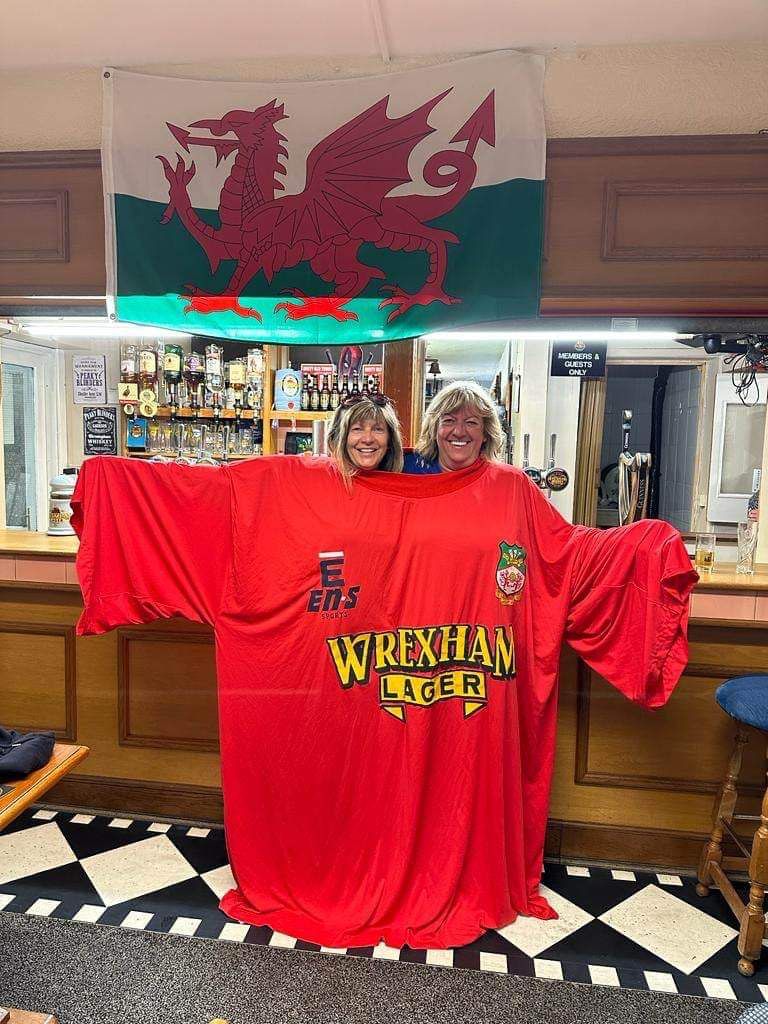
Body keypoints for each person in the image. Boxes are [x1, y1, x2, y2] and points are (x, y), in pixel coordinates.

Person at [404, 380, 504, 474]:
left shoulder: (507, 481)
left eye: (471, 422)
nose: (459, 432)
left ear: (486, 433)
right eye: (449, 421)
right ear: (433, 430)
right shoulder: (403, 468)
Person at [327, 393, 404, 478]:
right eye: (357, 429)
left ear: (390, 439)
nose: (368, 439)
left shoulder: (411, 478)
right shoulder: (319, 479)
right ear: (338, 438)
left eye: (377, 429)